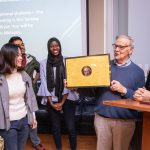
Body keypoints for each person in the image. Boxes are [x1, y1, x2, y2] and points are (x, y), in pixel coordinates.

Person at [94, 35, 145, 150]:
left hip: (124, 122)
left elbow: (140, 100)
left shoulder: (138, 72)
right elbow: (93, 91)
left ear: (130, 50)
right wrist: (75, 87)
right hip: (102, 120)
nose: (116, 50)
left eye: (121, 47)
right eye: (115, 46)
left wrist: (124, 90)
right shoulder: (103, 66)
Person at [37, 37, 78, 150]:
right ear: (48, 48)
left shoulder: (67, 61)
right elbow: (44, 83)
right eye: (52, 46)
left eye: (57, 45)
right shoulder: (43, 63)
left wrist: (62, 102)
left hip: (67, 98)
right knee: (55, 128)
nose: (55, 48)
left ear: (60, 46)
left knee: (71, 127)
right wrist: (51, 102)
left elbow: (68, 82)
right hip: (51, 99)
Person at [8, 36, 45, 150]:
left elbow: (40, 70)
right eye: (18, 45)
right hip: (10, 117)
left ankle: (35, 142)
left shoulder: (30, 59)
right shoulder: (4, 74)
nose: (22, 47)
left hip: (28, 96)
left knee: (32, 121)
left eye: (22, 44)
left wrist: (33, 81)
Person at [0, 43, 38, 150]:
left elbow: (30, 98)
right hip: (8, 125)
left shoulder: (24, 75)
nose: (21, 58)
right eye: (18, 55)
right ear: (8, 56)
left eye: (21, 55)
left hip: (24, 122)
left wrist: (33, 118)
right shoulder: (1, 78)